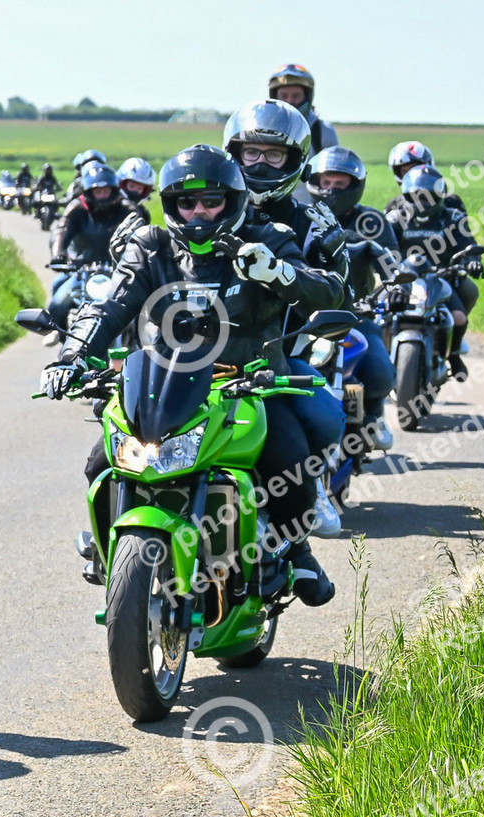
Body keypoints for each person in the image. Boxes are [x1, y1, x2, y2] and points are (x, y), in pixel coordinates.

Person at [42, 145, 338, 606]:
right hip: (164, 387)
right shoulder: (151, 245)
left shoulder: (269, 238)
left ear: (233, 200)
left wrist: (278, 272)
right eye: (186, 202)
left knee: (289, 463)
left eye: (211, 201)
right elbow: (108, 305)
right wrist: (71, 356)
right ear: (170, 204)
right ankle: (110, 550)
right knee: (101, 461)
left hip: (250, 385)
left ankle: (295, 550)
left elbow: (328, 294)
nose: (198, 212)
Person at [224, 98, 348, 535]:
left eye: (273, 154)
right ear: (234, 154)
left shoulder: (312, 222)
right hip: (201, 352)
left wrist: (287, 272)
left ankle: (310, 488)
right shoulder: (211, 204)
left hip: (281, 353)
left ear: (294, 160)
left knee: (325, 418)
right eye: (251, 152)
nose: (260, 163)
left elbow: (339, 292)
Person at [304, 145, 398, 449]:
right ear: (315, 183)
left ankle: (374, 415)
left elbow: (390, 261)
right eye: (326, 182)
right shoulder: (300, 216)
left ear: (354, 185)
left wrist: (397, 286)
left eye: (339, 183)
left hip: (355, 314)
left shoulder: (371, 221)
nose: (331, 190)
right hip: (303, 317)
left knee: (379, 371)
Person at [387, 164, 482, 381]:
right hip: (402, 280)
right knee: (377, 315)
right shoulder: (395, 218)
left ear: (439, 196)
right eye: (416, 196)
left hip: (440, 278)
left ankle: (454, 355)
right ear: (406, 196)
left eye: (428, 196)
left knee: (458, 318)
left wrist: (473, 261)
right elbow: (381, 246)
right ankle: (378, 358)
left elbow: (468, 244)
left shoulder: (453, 218)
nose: (422, 202)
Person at [44, 162, 146, 331]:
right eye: (98, 191)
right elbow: (61, 230)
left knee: (144, 306)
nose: (102, 195)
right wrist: (58, 253)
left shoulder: (128, 209)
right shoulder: (77, 208)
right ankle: (59, 334)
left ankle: (145, 341)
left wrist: (143, 257)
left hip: (119, 271)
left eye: (106, 191)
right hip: (81, 269)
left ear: (114, 190)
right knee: (57, 304)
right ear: (89, 192)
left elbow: (141, 234)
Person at [267, 63, 338, 151]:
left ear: (307, 97)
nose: (290, 101)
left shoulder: (323, 131)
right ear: (274, 97)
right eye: (284, 96)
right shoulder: (264, 128)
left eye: (296, 96)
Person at [386, 141, 467, 214]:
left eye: (415, 169)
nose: (411, 175)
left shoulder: (451, 202)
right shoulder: (395, 205)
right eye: (405, 171)